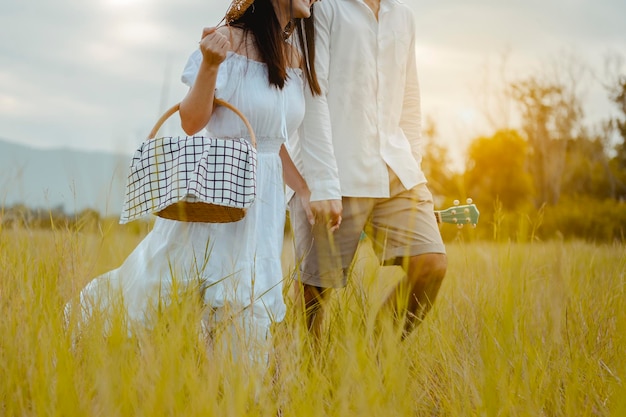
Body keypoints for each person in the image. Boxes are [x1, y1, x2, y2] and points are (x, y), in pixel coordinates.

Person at [66, 0, 320, 357]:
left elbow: (271, 143)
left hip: (264, 206)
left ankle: (231, 390)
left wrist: (305, 190)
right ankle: (95, 346)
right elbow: (191, 122)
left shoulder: (293, 56)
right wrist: (210, 64)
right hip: (218, 192)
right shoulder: (224, 41)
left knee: (249, 307)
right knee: (159, 292)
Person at [288, 0, 448, 339]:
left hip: (395, 168)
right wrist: (323, 183)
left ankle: (372, 357)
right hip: (334, 168)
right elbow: (313, 92)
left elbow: (409, 99)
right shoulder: (324, 7)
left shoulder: (404, 15)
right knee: (315, 294)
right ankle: (310, 382)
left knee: (431, 264)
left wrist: (413, 166)